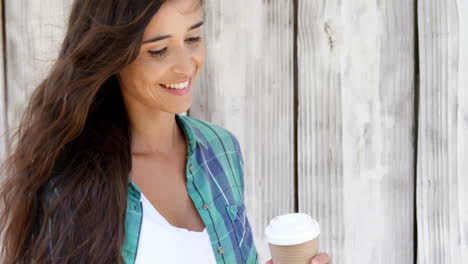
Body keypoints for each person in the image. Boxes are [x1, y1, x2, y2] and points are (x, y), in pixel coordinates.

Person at [0, 0, 330, 263]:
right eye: (159, 50)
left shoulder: (220, 149)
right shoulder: (72, 177)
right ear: (113, 56)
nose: (186, 65)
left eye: (192, 38)